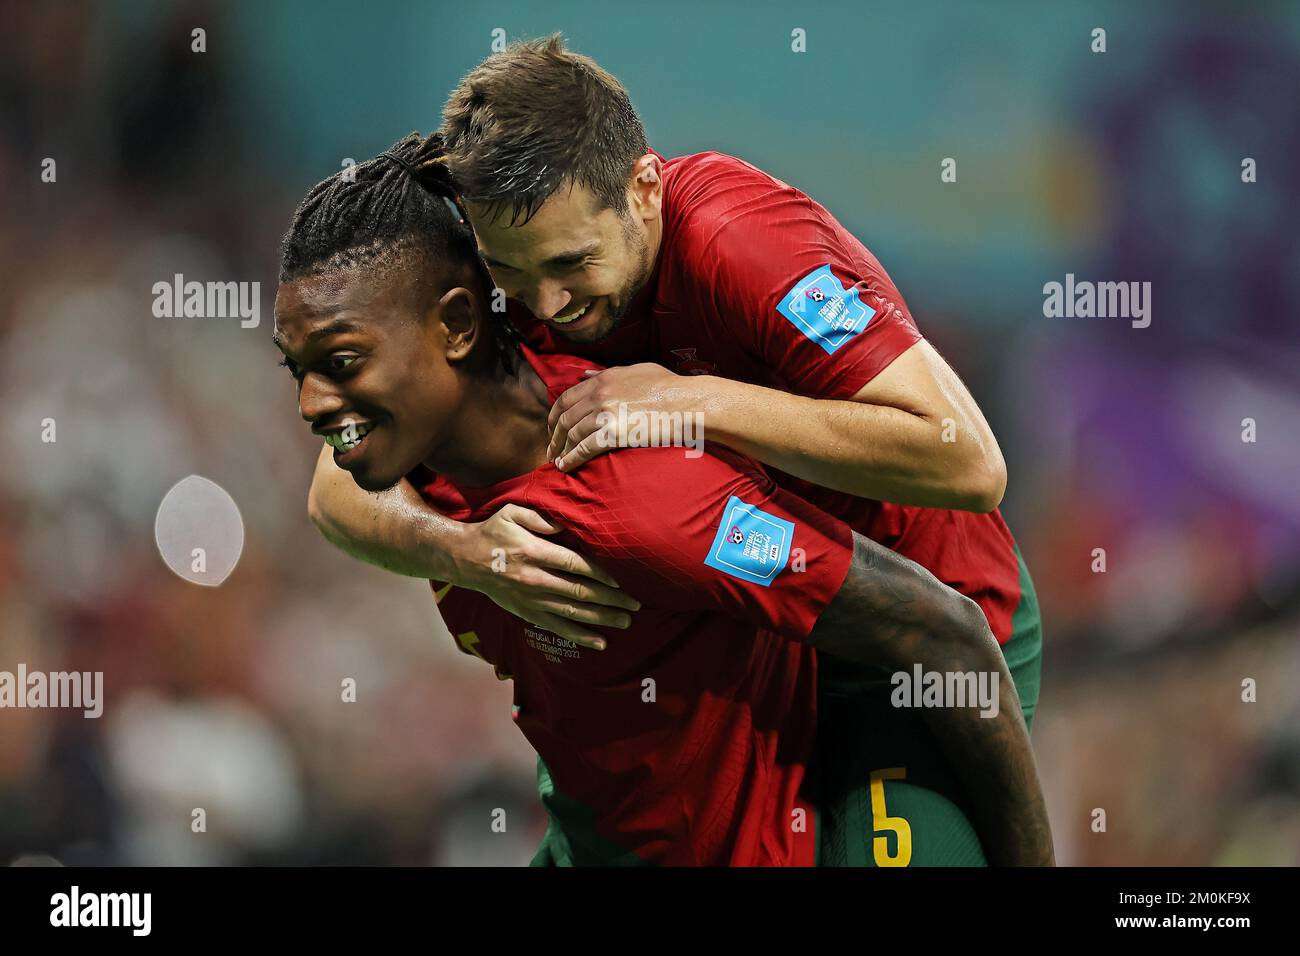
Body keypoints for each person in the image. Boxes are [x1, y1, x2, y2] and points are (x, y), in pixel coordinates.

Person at [308, 37, 1043, 865]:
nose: (545, 303)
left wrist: (694, 403)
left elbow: (969, 463)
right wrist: (464, 551)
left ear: (644, 188)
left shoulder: (746, 244)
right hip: (755, 653)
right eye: (509, 269)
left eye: (572, 263)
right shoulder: (508, 267)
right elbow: (339, 481)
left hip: (909, 634)